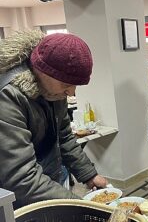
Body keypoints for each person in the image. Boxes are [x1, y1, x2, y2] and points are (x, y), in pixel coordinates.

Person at [0, 31, 108, 208]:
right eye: (66, 84)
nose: (71, 93)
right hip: (15, 202)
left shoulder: (52, 90)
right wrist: (81, 205)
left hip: (47, 181)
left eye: (75, 86)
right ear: (41, 69)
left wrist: (89, 175)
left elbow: (64, 137)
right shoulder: (8, 96)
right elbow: (21, 178)